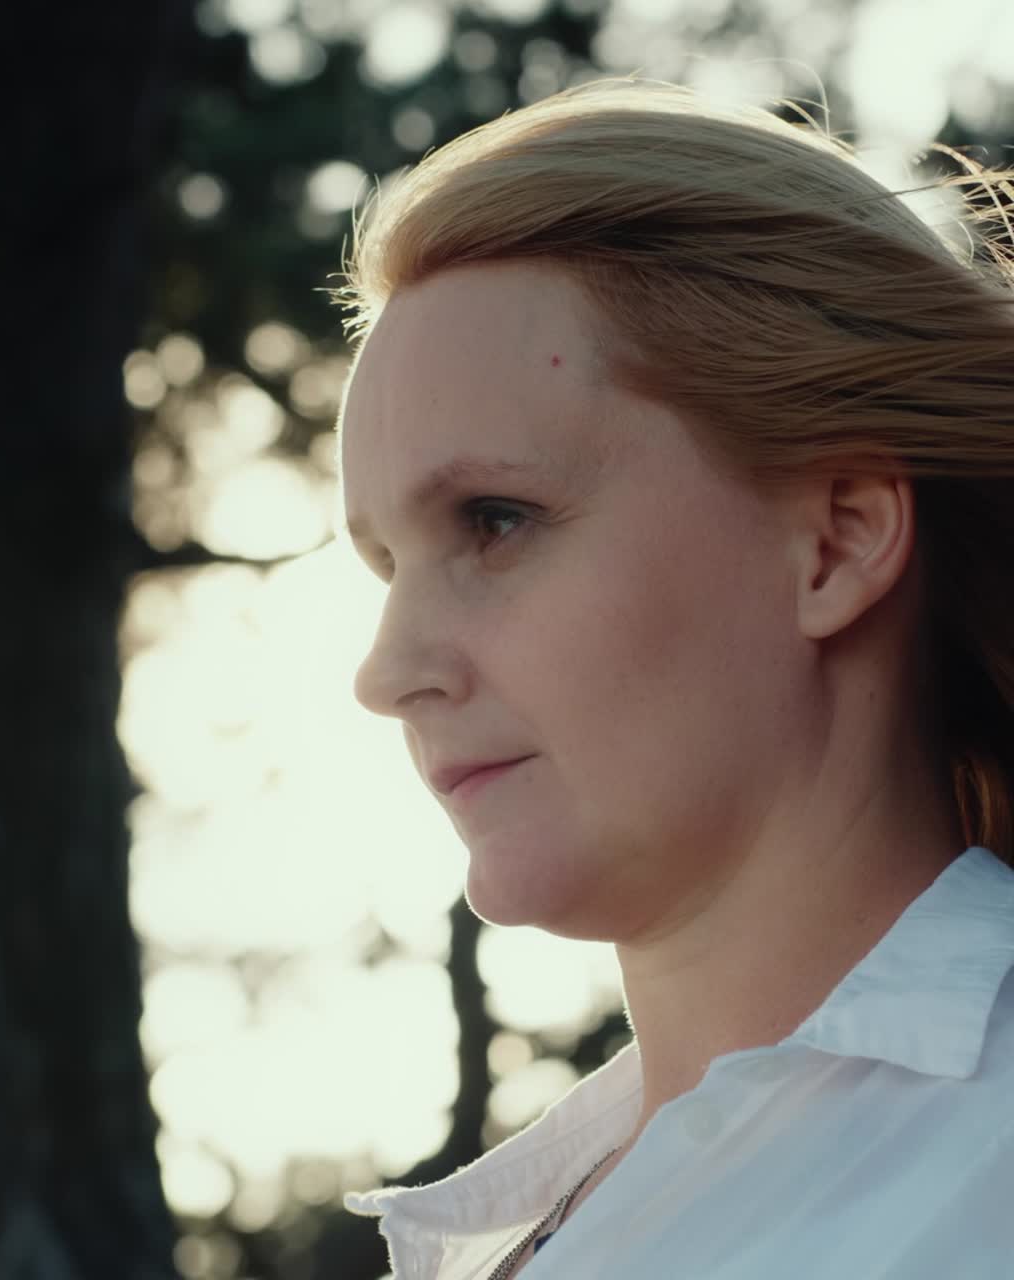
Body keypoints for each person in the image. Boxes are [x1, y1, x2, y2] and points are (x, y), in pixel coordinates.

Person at [330, 75, 1014, 1277]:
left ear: (838, 536)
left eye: (494, 518)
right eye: (387, 561)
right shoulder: (529, 1222)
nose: (387, 671)